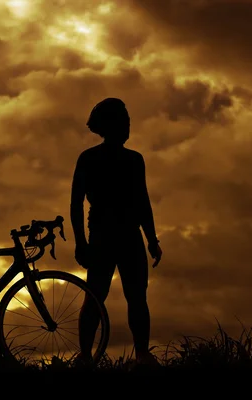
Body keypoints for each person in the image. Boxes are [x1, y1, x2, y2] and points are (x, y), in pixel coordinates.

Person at [71, 97, 163, 366]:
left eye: (128, 122)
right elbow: (76, 203)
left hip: (128, 236)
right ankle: (86, 355)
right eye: (123, 122)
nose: (127, 127)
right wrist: (80, 243)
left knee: (136, 297)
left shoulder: (135, 160)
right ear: (109, 126)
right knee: (95, 297)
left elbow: (142, 202)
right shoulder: (89, 159)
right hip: (102, 236)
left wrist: (151, 239)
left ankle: (142, 353)